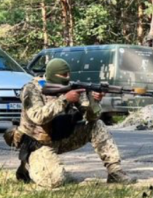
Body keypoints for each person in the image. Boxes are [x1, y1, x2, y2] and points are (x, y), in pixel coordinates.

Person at [11, 58, 133, 186]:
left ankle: (115, 172)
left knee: (97, 125)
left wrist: (94, 101)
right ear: (52, 74)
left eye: (69, 74)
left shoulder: (71, 88)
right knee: (54, 181)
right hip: (38, 143)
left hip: (62, 137)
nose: (67, 77)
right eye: (64, 75)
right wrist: (65, 99)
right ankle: (28, 165)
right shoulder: (32, 88)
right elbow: (38, 116)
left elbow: (91, 118)